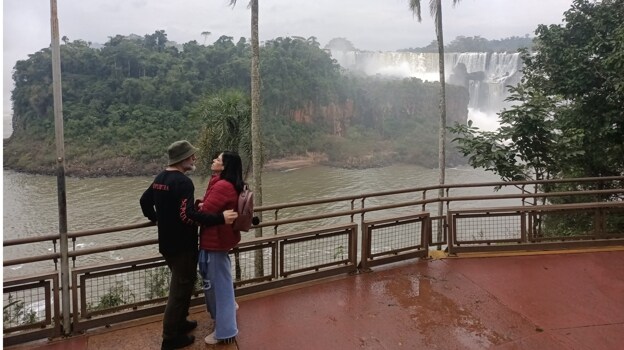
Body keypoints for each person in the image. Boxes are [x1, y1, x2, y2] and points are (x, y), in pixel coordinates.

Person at [140, 140, 238, 350]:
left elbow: (144, 201)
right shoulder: (183, 182)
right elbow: (187, 215)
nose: (194, 159)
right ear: (183, 159)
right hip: (183, 245)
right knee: (179, 290)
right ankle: (170, 337)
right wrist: (220, 218)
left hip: (166, 243)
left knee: (184, 285)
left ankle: (181, 322)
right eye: (192, 156)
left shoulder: (160, 178)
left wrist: (157, 219)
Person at [198, 151, 244, 345]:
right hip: (219, 240)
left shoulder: (223, 186)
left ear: (225, 166)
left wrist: (196, 206)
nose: (214, 160)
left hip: (215, 241)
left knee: (221, 287)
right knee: (222, 281)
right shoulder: (224, 182)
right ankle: (226, 314)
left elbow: (205, 210)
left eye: (218, 159)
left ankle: (225, 331)